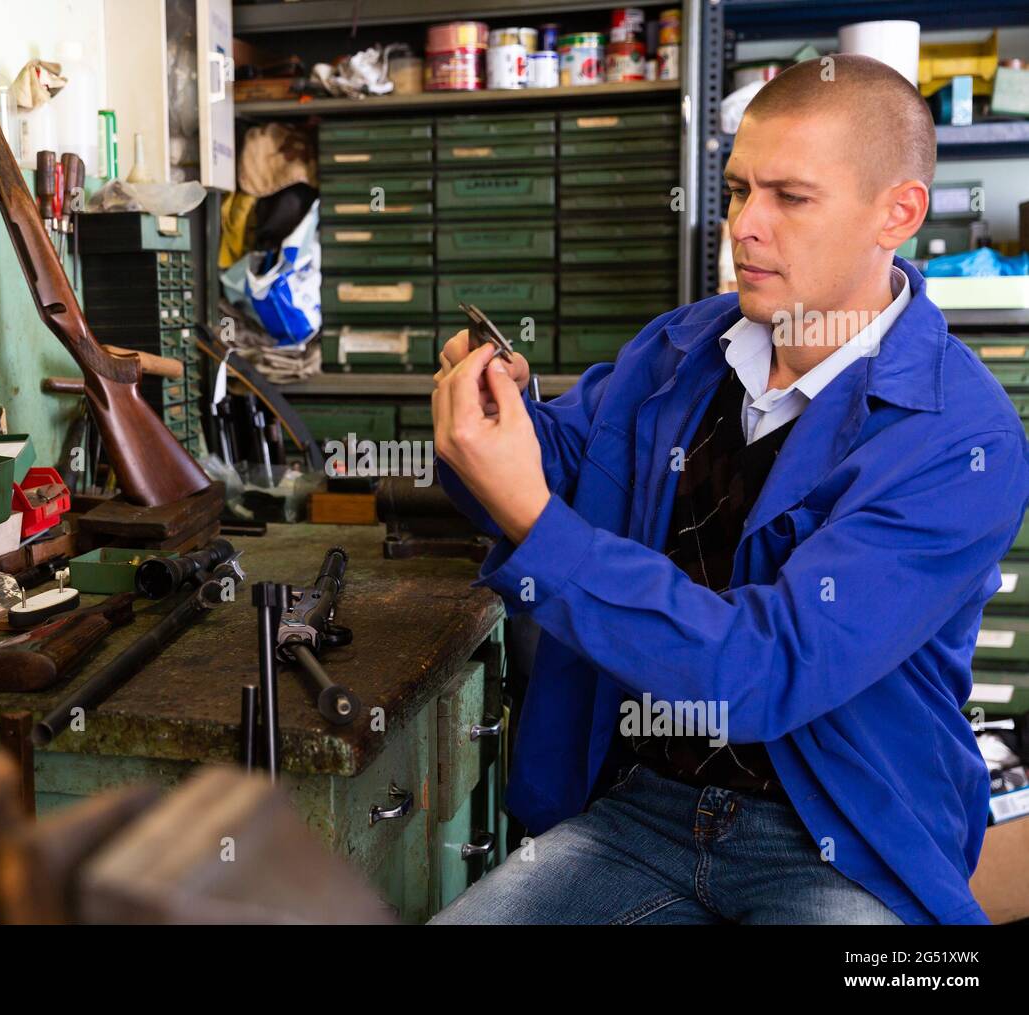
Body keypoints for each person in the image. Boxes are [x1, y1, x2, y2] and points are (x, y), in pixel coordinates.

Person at [429, 55, 1029, 925]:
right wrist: (495, 422)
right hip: (640, 808)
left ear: (895, 213)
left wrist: (530, 513)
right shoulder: (683, 347)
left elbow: (762, 669)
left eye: (791, 197)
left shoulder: (959, 438)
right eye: (740, 189)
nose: (745, 226)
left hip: (843, 841)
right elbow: (551, 473)